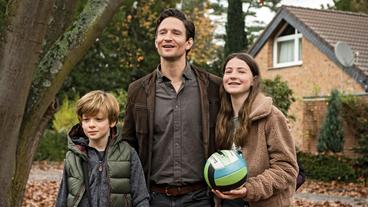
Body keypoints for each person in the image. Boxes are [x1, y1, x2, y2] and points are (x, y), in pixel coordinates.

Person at [121, 8, 222, 207]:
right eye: (162, 32)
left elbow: (236, 124)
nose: (168, 37)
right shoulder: (138, 90)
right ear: (156, 40)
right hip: (153, 198)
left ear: (189, 43)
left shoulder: (213, 87)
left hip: (201, 198)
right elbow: (128, 145)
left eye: (176, 33)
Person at [213, 53, 298, 207]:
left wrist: (248, 189)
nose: (233, 76)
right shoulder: (220, 117)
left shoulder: (271, 116)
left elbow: (287, 168)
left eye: (241, 71)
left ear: (254, 80)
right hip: (227, 202)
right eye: (228, 71)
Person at [56, 90, 149, 207]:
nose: (91, 125)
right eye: (86, 119)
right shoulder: (73, 156)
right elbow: (62, 199)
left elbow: (141, 198)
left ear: (112, 121)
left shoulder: (128, 153)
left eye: (98, 119)